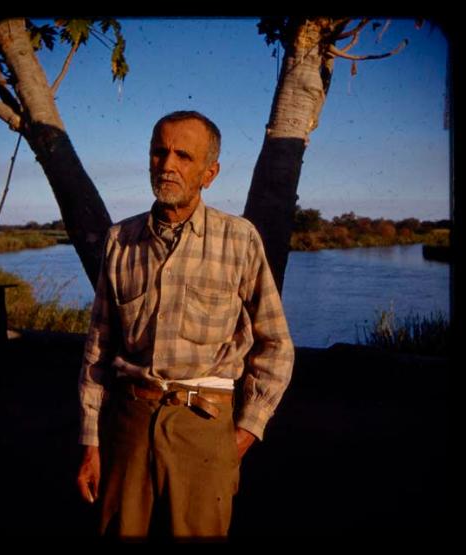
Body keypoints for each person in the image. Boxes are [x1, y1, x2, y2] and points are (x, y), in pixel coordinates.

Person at [76, 110, 294, 541]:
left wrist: (243, 434)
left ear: (209, 173)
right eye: (159, 152)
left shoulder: (239, 239)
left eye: (183, 155)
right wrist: (91, 443)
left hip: (206, 429)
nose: (167, 165)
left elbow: (277, 346)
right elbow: (98, 349)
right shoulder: (121, 240)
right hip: (128, 426)